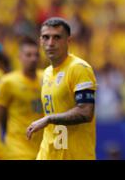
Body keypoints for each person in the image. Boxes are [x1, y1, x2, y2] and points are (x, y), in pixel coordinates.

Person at [26, 17, 97, 160]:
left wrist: (49, 119)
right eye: (46, 37)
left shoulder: (78, 68)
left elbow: (86, 111)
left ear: (68, 41)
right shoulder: (46, 73)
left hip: (75, 156)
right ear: (40, 41)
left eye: (57, 37)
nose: (50, 43)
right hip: (48, 154)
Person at [0, 37, 43, 159]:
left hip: (39, 150)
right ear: (20, 57)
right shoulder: (7, 82)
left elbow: (2, 116)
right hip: (16, 151)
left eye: (36, 55)